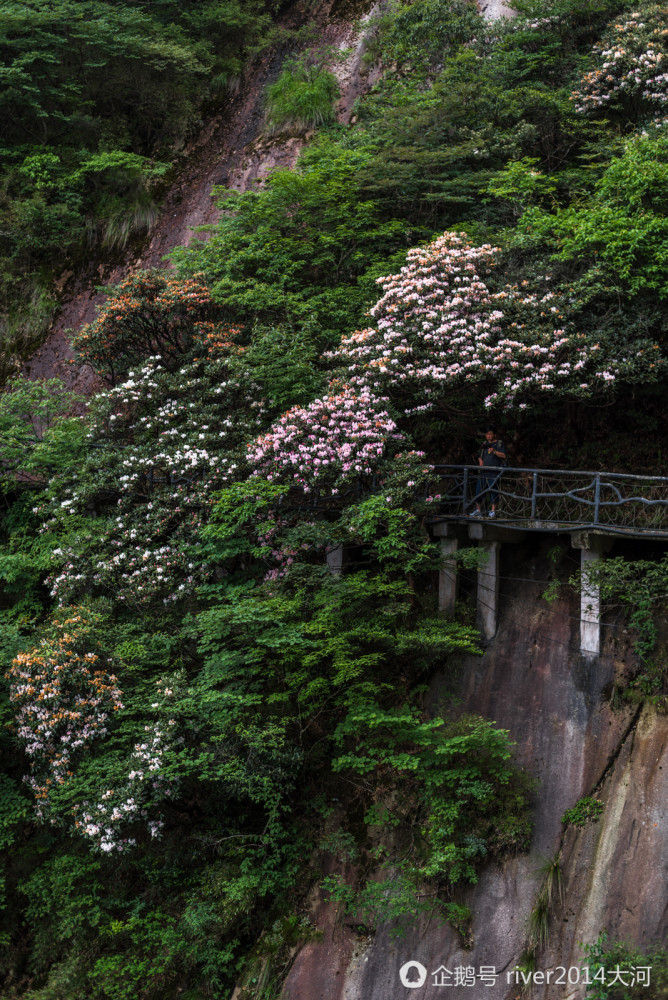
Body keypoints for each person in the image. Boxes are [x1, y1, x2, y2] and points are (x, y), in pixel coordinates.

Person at [470, 428, 506, 518]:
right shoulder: (484, 444)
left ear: (494, 434)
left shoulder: (499, 443)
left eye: (490, 434)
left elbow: (504, 455)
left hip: (494, 472)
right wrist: (480, 460)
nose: (488, 436)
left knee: (493, 491)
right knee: (479, 491)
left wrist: (494, 451)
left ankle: (493, 511)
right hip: (483, 472)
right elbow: (479, 455)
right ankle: (478, 511)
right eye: (487, 434)